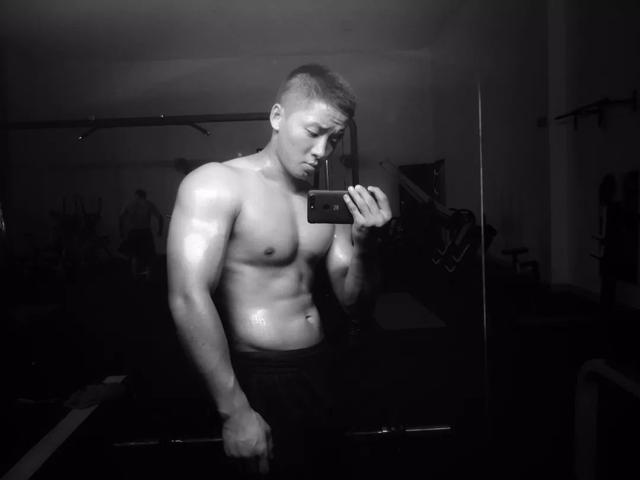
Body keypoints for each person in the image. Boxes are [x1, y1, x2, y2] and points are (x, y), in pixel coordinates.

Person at [166, 64, 391, 478]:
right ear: (277, 117)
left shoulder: (326, 204)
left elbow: (355, 305)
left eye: (334, 138)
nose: (323, 151)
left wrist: (366, 245)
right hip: (254, 377)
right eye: (314, 132)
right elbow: (187, 296)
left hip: (320, 368)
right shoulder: (216, 184)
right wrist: (234, 410)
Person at [119, 189, 163, 278]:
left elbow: (121, 218)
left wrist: (121, 231)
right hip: (144, 232)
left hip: (135, 232)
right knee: (147, 255)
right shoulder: (148, 204)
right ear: (144, 196)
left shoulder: (130, 205)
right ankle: (146, 276)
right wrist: (160, 230)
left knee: (135, 255)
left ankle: (135, 275)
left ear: (137, 196)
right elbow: (160, 217)